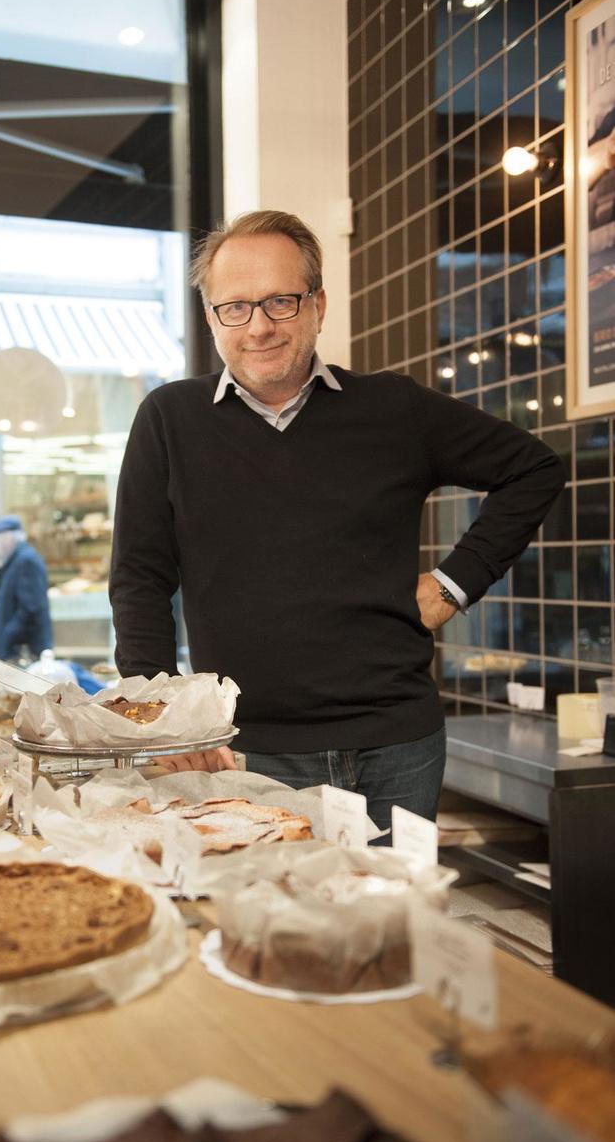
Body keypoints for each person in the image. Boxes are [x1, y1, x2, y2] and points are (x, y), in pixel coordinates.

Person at [108, 210, 565, 834]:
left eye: (281, 302)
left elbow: (533, 468)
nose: (259, 327)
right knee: (263, 929)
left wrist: (455, 584)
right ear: (212, 318)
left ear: (318, 305)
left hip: (398, 747)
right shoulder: (169, 419)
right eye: (234, 307)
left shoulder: (393, 409)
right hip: (245, 753)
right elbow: (139, 578)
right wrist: (161, 719)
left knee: (388, 926)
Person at [0, 515, 53, 662]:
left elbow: (30, 608)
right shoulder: (14, 561)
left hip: (22, 652)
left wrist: (7, 636)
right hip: (14, 649)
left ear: (8, 537)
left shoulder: (26, 561)